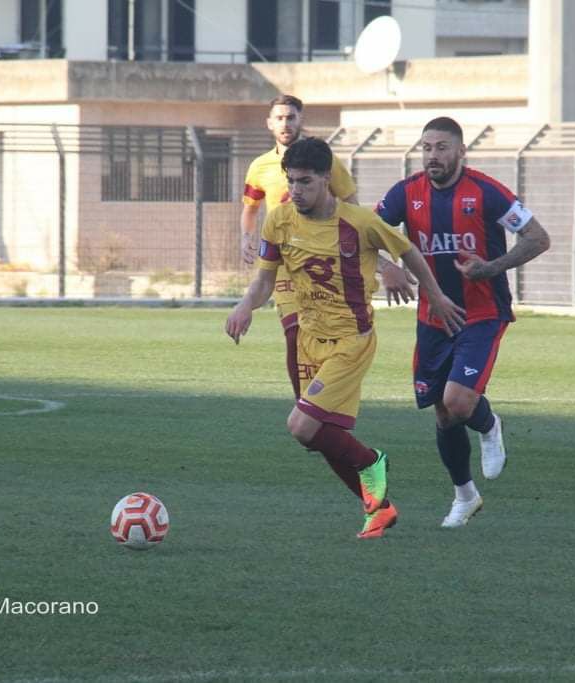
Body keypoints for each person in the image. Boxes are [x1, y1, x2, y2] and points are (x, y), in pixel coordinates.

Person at [226, 137, 464, 539]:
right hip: (308, 339)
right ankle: (379, 508)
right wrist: (245, 305)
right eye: (291, 181)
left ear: (326, 179)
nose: (296, 190)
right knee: (315, 435)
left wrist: (436, 296)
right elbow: (265, 279)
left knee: (300, 425)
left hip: (350, 341)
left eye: (305, 182)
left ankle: (372, 462)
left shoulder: (359, 222)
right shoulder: (278, 220)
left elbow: (408, 252)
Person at [239, 94, 414, 507]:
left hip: (336, 299)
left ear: (301, 120)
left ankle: (354, 456)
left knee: (308, 423)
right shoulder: (261, 168)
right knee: (306, 411)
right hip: (287, 280)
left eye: (291, 116)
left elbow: (355, 222)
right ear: (269, 123)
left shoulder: (326, 162)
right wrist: (247, 239)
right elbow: (251, 209)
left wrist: (384, 265)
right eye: (279, 117)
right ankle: (374, 500)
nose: (286, 123)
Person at [376, 117, 550, 529]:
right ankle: (465, 496)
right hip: (432, 316)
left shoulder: (487, 192)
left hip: (482, 313)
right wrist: (387, 268)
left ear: (460, 151)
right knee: (443, 413)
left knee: (457, 401)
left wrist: (491, 267)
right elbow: (359, 235)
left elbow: (538, 238)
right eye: (426, 148)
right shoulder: (405, 194)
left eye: (441, 147)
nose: (432, 156)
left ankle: (489, 425)